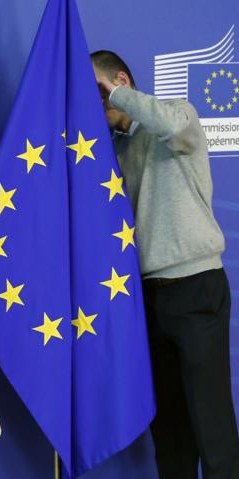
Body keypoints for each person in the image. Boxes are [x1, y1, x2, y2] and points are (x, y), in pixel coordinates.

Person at [90, 50, 239, 479]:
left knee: (211, 423)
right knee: (169, 428)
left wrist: (115, 95)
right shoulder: (112, 153)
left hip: (196, 287)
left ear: (121, 81)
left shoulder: (179, 115)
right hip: (149, 298)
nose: (99, 104)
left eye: (99, 92)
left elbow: (169, 124)